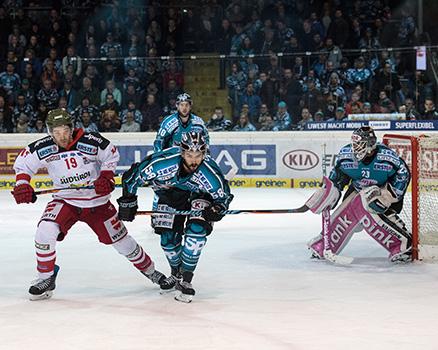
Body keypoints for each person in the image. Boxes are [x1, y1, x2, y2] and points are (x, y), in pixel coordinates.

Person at [12, 109, 165, 300]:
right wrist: (22, 184)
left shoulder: (91, 140)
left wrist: (106, 176)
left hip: (97, 203)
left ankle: (151, 271)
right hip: (65, 200)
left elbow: (110, 155)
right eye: (56, 132)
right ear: (50, 131)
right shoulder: (42, 147)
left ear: (72, 127)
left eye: (65, 131)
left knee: (122, 242)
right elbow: (23, 165)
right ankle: (45, 277)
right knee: (44, 231)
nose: (61, 136)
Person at [117, 132, 233, 303]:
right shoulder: (162, 162)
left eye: (198, 155)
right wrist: (128, 201)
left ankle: (186, 279)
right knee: (168, 242)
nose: (194, 160)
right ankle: (176, 273)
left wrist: (217, 209)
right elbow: (132, 177)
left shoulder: (210, 172)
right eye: (189, 155)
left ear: (204, 153)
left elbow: (223, 197)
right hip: (169, 195)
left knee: (196, 233)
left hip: (199, 196)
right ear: (181, 152)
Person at [306, 126, 412, 262]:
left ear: (370, 144)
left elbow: (403, 173)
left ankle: (404, 245)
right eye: (354, 144)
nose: (355, 148)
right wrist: (329, 191)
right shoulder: (346, 155)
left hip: (383, 191)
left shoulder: (387, 157)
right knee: (348, 211)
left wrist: (388, 196)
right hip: (358, 188)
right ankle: (325, 245)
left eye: (359, 144)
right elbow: (338, 176)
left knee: (372, 204)